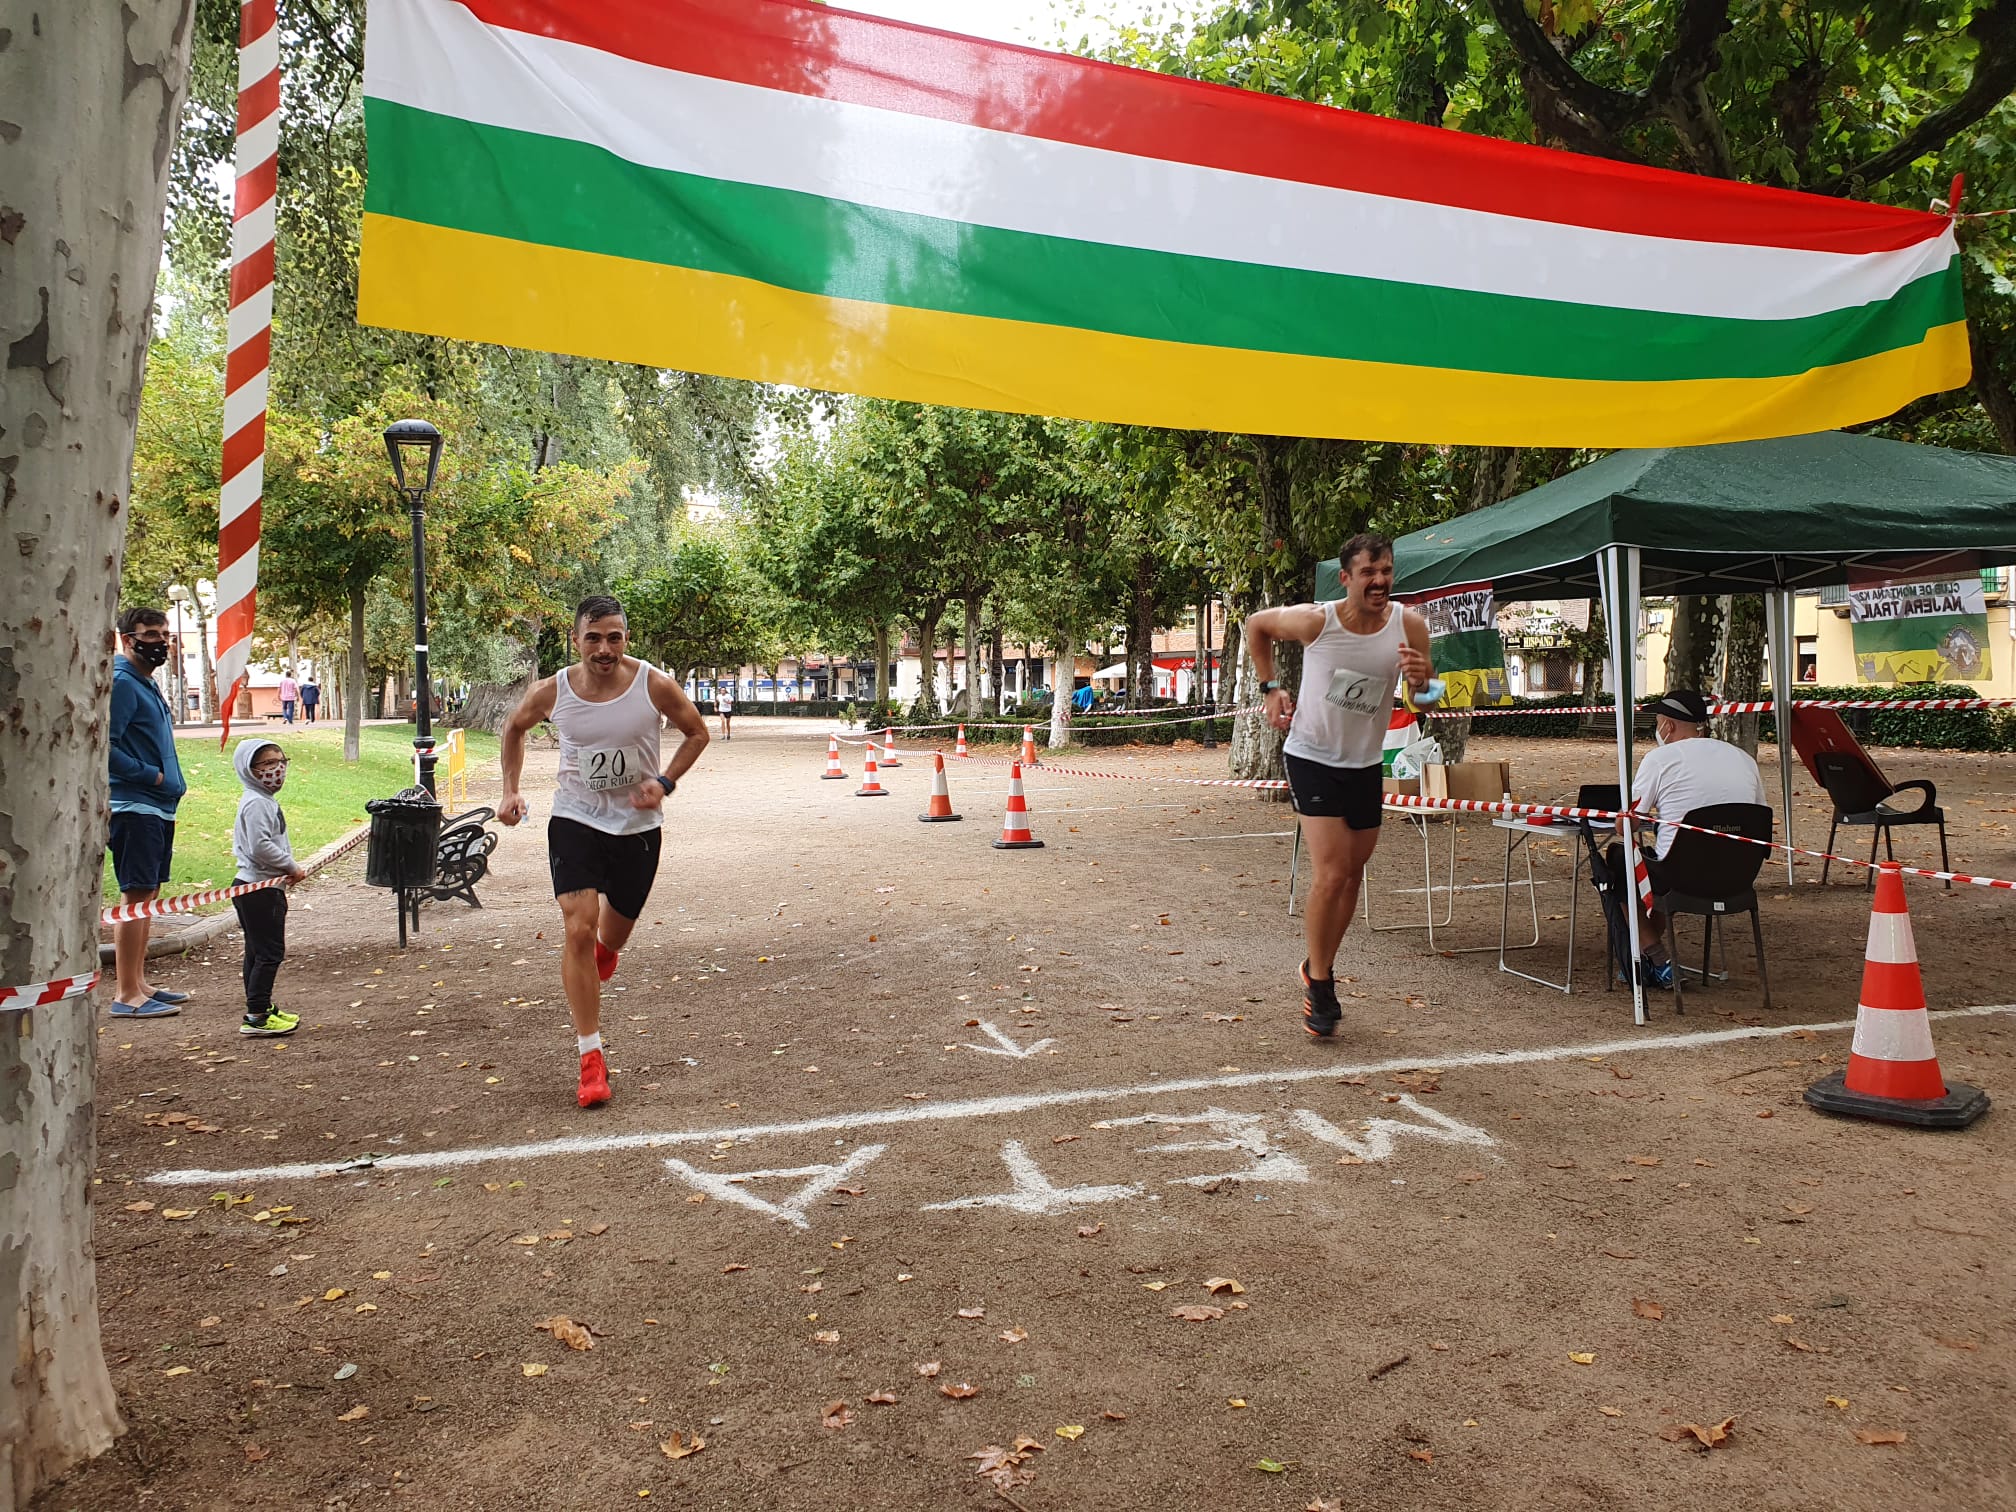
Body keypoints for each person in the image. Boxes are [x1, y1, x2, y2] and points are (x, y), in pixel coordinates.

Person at [499, 595, 710, 1108]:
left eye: (614, 637)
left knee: (608, 942)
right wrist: (510, 789)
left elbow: (696, 733)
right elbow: (514, 728)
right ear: (576, 640)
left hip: (637, 826)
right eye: (593, 637)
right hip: (575, 818)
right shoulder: (553, 691)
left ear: (625, 640)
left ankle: (599, 959)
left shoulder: (652, 684)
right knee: (578, 926)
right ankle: (590, 1059)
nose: (604, 648)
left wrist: (663, 782)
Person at [1246, 533, 1434, 1039]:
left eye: (1387, 570)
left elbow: (1427, 702)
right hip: (1311, 756)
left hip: (1364, 764)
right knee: (1330, 873)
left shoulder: (1409, 626)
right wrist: (1270, 688)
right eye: (1369, 572)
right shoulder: (1317, 620)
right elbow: (1255, 626)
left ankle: (1316, 964)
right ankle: (1322, 984)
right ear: (1346, 578)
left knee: (1352, 875)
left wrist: (1424, 678)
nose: (1380, 581)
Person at [1609, 689, 1768, 987]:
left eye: (1657, 722)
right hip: (1739, 876)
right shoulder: (1744, 758)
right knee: (1655, 865)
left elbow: (1626, 825)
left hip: (1681, 875)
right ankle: (1651, 958)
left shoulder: (1660, 758)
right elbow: (1758, 815)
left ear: (1667, 726)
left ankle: (1658, 959)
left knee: (1619, 864)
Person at [107, 607, 191, 1019]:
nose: (160, 641)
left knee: (149, 895)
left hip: (158, 807)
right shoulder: (122, 683)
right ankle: (126, 994)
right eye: (151, 634)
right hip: (134, 806)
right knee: (135, 896)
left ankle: (140, 983)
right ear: (127, 639)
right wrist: (152, 776)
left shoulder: (147, 683)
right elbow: (105, 747)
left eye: (164, 633)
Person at [230, 740, 307, 1036]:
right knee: (269, 952)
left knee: (256, 949)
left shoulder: (261, 799)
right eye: (267, 764)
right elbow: (260, 845)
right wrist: (290, 866)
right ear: (249, 770)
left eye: (281, 760)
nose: (278, 769)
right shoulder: (257, 802)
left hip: (257, 886)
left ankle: (260, 1004)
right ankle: (257, 1015)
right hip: (259, 889)